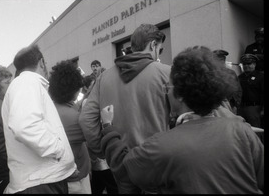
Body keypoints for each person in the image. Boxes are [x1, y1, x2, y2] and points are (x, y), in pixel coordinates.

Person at [100, 46, 264, 194]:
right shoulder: (242, 131)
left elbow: (126, 169)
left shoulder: (163, 145)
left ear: (179, 94)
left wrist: (108, 127)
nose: (166, 93)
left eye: (168, 88)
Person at [79, 23, 171, 193]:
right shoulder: (167, 73)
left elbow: (86, 119)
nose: (159, 54)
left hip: (120, 163)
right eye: (160, 49)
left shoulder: (104, 77)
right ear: (152, 45)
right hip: (157, 164)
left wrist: (102, 149)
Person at [1, 45, 77, 194]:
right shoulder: (27, 82)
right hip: (39, 184)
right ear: (41, 62)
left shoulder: (27, 84)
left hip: (41, 180)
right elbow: (25, 127)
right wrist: (59, 151)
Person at [48, 60, 91, 194]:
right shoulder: (74, 118)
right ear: (74, 89)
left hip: (60, 177)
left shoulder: (50, 108)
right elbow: (95, 139)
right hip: (75, 181)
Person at [80, 74, 118, 194]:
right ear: (87, 88)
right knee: (109, 185)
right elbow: (87, 123)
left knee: (99, 185)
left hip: (101, 153)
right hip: (101, 154)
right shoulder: (87, 102)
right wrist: (99, 150)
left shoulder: (96, 99)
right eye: (93, 85)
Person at [238, 54, 264, 128]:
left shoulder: (261, 76)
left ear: (254, 64)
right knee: (242, 130)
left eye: (249, 63)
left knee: (256, 130)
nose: (246, 66)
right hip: (241, 108)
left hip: (255, 108)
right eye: (244, 64)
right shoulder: (240, 77)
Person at [213, 49, 242, 114]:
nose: (220, 62)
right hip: (215, 106)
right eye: (217, 60)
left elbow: (238, 89)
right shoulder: (210, 73)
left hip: (230, 105)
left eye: (222, 59)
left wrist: (236, 105)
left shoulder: (231, 73)